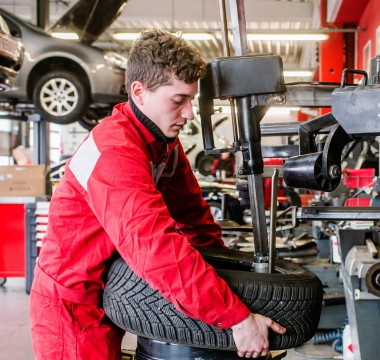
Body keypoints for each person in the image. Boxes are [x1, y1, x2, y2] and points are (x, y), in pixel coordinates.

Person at [29, 29, 285, 359]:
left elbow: (194, 218)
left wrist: (234, 281)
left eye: (191, 100)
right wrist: (235, 318)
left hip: (106, 294)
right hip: (72, 307)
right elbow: (156, 250)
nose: (189, 113)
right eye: (178, 101)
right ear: (139, 92)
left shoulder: (162, 144)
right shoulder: (115, 154)